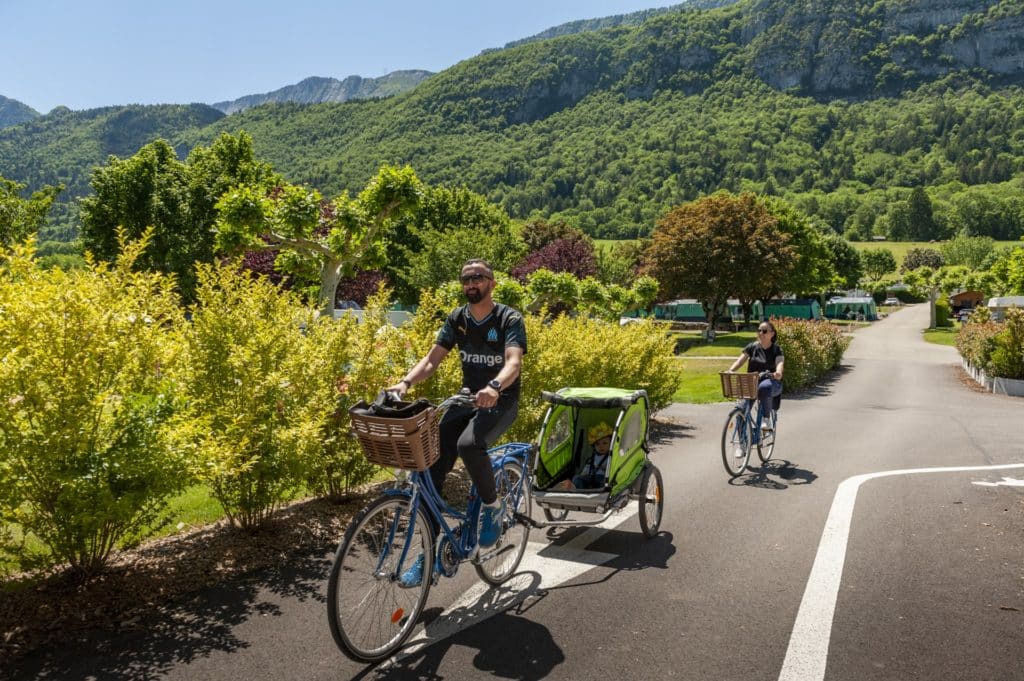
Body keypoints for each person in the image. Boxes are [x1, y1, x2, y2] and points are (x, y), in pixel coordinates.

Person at [386, 259, 526, 584]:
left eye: (477, 277)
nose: (471, 283)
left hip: (501, 401)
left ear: (491, 282)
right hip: (466, 400)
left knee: (469, 443)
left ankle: (492, 507)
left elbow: (513, 362)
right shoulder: (457, 318)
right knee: (431, 466)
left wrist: (494, 386)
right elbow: (432, 360)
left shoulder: (509, 318)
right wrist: (405, 383)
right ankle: (428, 557)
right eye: (465, 278)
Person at [727, 320, 784, 445]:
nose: (760, 333)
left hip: (771, 382)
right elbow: (740, 361)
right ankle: (743, 444)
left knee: (764, 387)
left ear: (772, 334)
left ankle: (766, 419)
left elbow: (780, 363)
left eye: (764, 331)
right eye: (759, 330)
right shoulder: (752, 347)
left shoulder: (776, 349)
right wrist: (731, 370)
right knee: (741, 411)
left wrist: (778, 372)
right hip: (751, 383)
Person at [555, 422, 614, 490]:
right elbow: (587, 468)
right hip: (591, 478)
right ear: (594, 446)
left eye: (605, 443)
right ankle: (580, 491)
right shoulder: (592, 458)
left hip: (603, 478)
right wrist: (583, 474)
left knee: (605, 482)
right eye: (597, 444)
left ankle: (600, 492)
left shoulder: (610, 457)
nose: (601, 446)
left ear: (610, 444)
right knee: (576, 478)